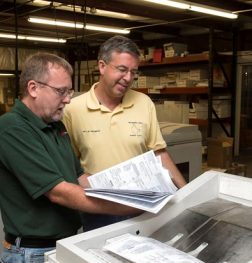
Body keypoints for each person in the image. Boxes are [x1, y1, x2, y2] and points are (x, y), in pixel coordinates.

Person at [0, 52, 139, 263]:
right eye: (62, 92)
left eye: (70, 92)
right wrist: (127, 206)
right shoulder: (12, 128)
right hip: (32, 256)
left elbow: (78, 177)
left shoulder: (55, 125)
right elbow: (59, 192)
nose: (68, 100)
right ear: (33, 88)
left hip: (64, 244)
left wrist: (126, 189)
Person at [63, 35, 186, 231]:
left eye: (133, 72)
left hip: (142, 206)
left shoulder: (144, 103)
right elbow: (68, 165)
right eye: (122, 69)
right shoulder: (72, 110)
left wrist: (186, 194)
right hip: (99, 210)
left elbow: (159, 153)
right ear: (102, 66)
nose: (128, 78)